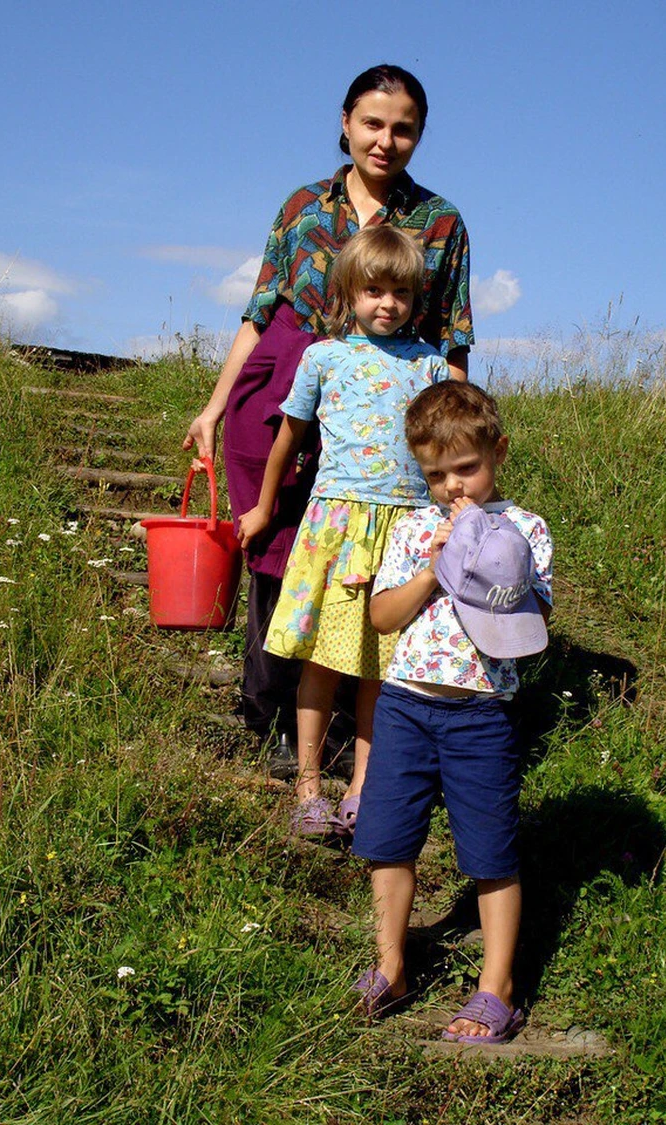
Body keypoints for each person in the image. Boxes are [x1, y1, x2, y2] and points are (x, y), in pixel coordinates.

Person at [182, 64, 474, 769]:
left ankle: (347, 731)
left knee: (370, 561)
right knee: (280, 545)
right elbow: (259, 313)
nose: (385, 140)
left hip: (384, 417)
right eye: (372, 123)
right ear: (345, 123)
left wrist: (453, 444)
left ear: (418, 136)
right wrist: (216, 405)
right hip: (285, 381)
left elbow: (453, 338)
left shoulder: (439, 222)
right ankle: (270, 709)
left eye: (403, 128)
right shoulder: (302, 207)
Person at [351, 381, 553, 1045]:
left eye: (466, 468)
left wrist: (482, 554)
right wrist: (434, 569)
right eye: (436, 474)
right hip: (406, 705)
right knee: (386, 838)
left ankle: (496, 987)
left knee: (491, 851)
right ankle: (391, 965)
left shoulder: (524, 530)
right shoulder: (413, 527)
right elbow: (381, 618)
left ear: (497, 451)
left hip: (480, 714)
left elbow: (537, 618)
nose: (452, 487)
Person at [237, 226, 451, 837]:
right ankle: (307, 787)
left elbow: (445, 449)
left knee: (380, 668)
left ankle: (363, 787)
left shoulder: (431, 364)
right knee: (322, 661)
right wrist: (262, 506)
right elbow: (289, 439)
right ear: (349, 291)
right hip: (335, 525)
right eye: (374, 290)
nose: (387, 304)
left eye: (401, 294)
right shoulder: (323, 358)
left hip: (404, 532)